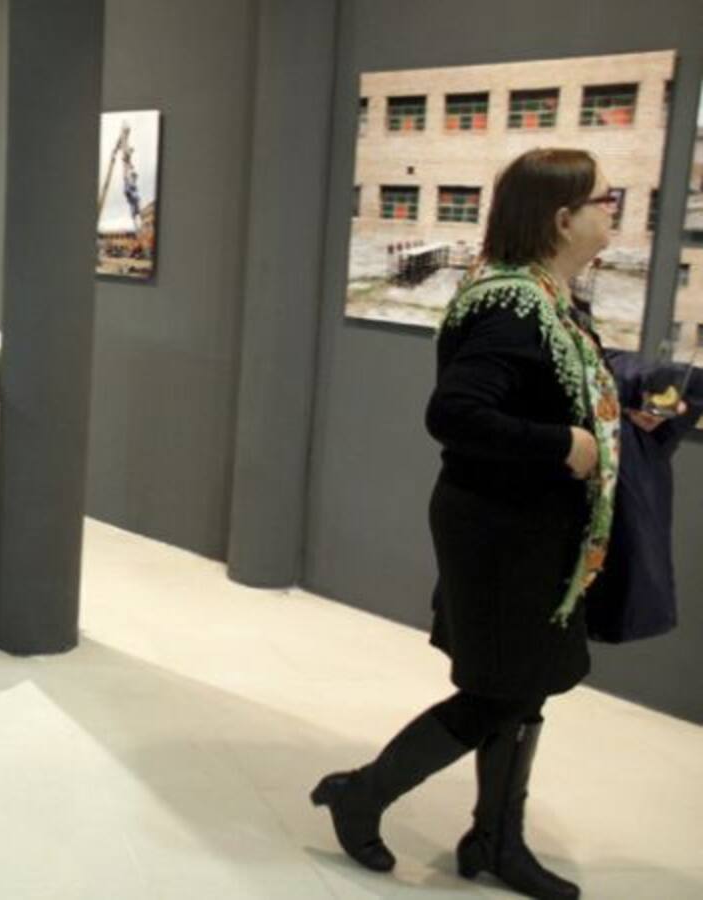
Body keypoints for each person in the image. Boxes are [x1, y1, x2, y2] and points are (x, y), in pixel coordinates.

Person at [312, 149, 633, 900]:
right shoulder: (511, 306)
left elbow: (544, 391)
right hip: (502, 533)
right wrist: (563, 444)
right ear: (563, 219)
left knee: (524, 687)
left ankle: (493, 838)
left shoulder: (547, 296)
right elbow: (455, 413)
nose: (613, 211)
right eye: (605, 200)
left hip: (531, 529)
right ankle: (365, 795)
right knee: (500, 691)